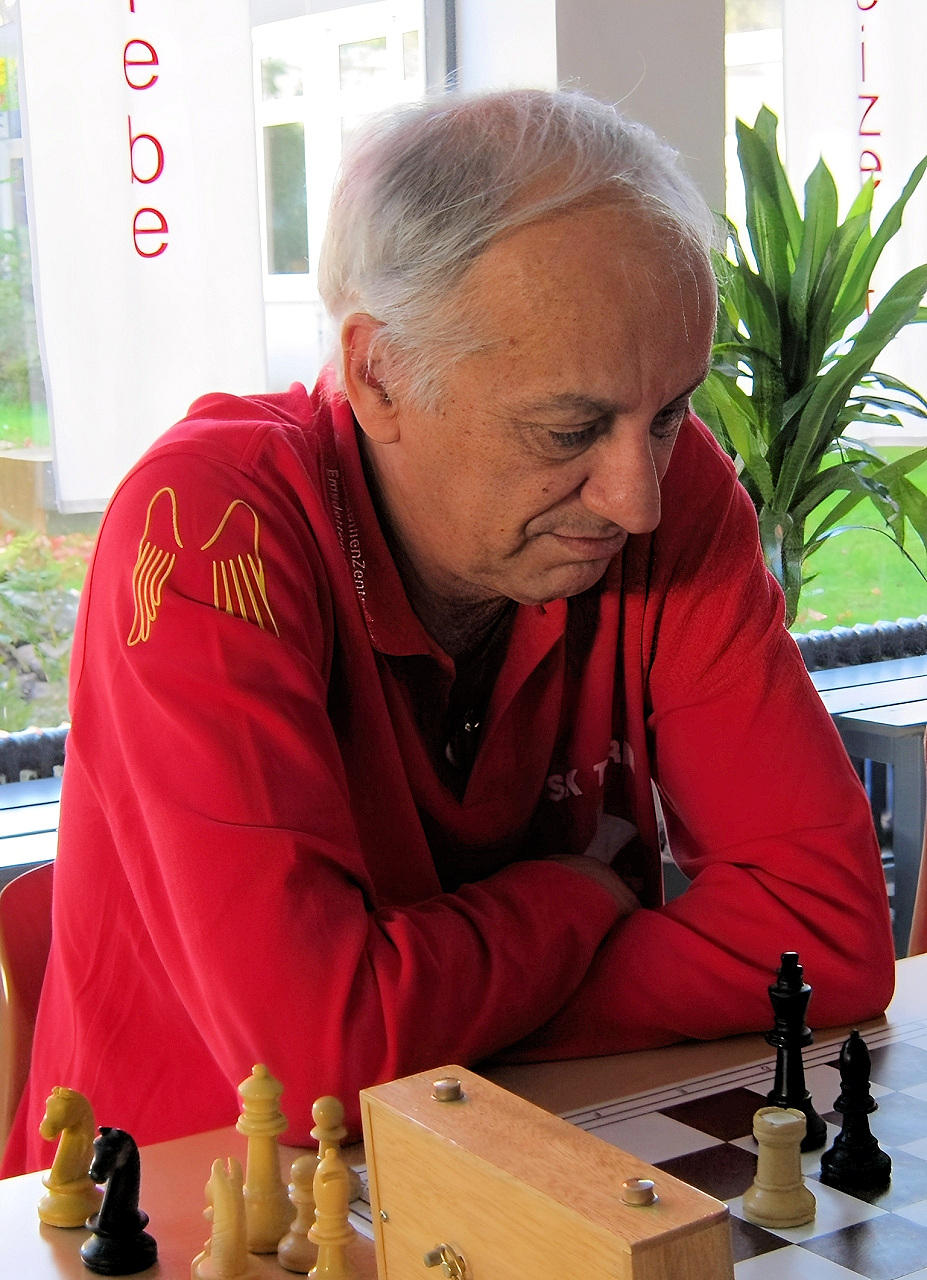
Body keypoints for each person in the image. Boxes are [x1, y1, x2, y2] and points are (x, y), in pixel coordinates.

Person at [3, 89, 894, 1177]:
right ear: (378, 372)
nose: (639, 499)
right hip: (209, 1196)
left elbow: (829, 934)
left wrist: (417, 1016)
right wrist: (577, 898)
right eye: (570, 427)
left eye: (667, 413)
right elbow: (311, 1062)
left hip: (523, 1152)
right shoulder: (206, 526)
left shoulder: (676, 493)